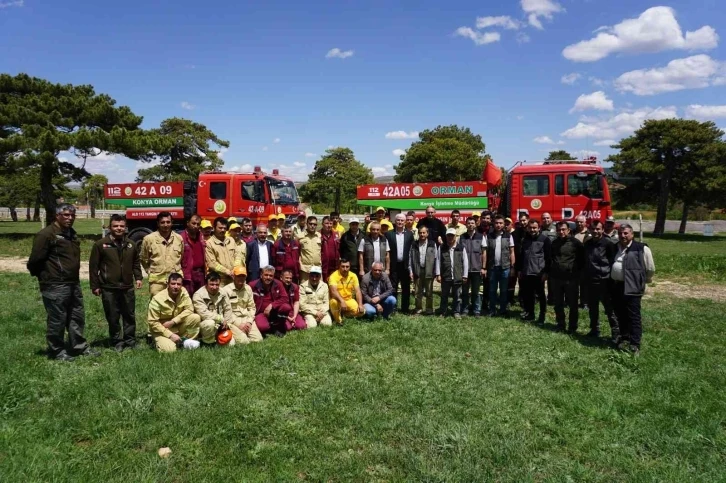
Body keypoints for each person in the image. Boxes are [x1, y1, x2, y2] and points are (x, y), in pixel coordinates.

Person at [28, 203, 98, 361]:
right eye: (66, 215)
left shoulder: (71, 233)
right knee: (57, 319)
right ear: (57, 216)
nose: (70, 218)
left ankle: (78, 346)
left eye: (72, 215)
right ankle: (56, 351)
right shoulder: (46, 234)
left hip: (73, 283)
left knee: (76, 316)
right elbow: (35, 261)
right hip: (54, 284)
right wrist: (45, 277)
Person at [89, 214, 143, 352]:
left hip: (127, 287)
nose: (119, 228)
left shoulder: (131, 244)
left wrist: (138, 277)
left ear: (125, 227)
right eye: (115, 226)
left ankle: (130, 340)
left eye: (121, 226)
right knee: (113, 315)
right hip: (109, 287)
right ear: (110, 227)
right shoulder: (101, 244)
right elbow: (93, 267)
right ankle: (116, 341)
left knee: (129, 314)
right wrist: (95, 286)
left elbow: (136, 262)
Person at [610, 224, 655, 355]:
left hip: (633, 286)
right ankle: (625, 337)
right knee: (620, 313)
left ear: (632, 234)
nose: (622, 236)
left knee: (633, 315)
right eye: (620, 233)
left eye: (625, 233)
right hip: (617, 285)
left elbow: (650, 268)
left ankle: (635, 343)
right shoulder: (615, 247)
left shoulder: (642, 248)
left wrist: (642, 280)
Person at [147, 273, 201, 352]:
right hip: (161, 330)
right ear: (168, 284)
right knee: (170, 350)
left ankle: (185, 342)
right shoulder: (157, 299)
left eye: (178, 284)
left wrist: (173, 321)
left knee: (195, 317)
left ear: (182, 285)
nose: (176, 287)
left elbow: (190, 309)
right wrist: (170, 335)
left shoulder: (183, 292)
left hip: (177, 325)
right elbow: (153, 323)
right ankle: (156, 341)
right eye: (173, 284)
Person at [584, 220, 619, 340]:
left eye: (598, 229)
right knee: (593, 308)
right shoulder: (587, 244)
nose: (595, 231)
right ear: (589, 229)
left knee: (610, 308)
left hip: (604, 281)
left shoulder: (608, 244)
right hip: (591, 280)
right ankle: (594, 330)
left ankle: (615, 333)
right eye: (593, 229)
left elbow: (612, 261)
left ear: (602, 230)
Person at [549, 221, 585, 332]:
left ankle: (572, 327)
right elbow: (551, 258)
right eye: (559, 230)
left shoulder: (576, 243)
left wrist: (577, 274)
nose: (561, 232)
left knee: (573, 304)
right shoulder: (554, 243)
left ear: (568, 230)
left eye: (563, 229)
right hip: (556, 278)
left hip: (571, 279)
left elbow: (582, 260)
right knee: (558, 303)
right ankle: (560, 324)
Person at [140, 211, 184, 296]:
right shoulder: (149, 239)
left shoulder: (179, 239)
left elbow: (181, 256)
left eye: (168, 222)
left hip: (175, 281)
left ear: (172, 223)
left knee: (174, 305)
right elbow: (144, 258)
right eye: (162, 222)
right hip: (157, 281)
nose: (165, 225)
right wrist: (149, 270)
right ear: (158, 223)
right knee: (157, 306)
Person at [517, 219, 551, 324]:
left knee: (541, 295)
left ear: (538, 228)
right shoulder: (524, 240)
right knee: (528, 294)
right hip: (526, 272)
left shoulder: (545, 240)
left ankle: (542, 315)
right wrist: (519, 269)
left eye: (534, 227)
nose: (532, 230)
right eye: (530, 228)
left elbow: (548, 257)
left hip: (539, 273)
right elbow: (521, 256)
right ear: (527, 228)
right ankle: (530, 314)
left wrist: (546, 272)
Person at [483, 215, 515, 317]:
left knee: (504, 290)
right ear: (493, 223)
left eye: (501, 223)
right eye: (497, 223)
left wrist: (512, 266)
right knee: (492, 290)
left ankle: (503, 310)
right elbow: (485, 253)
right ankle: (492, 310)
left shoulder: (509, 236)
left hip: (505, 267)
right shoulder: (489, 236)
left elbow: (512, 252)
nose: (498, 225)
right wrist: (484, 267)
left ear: (504, 224)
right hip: (492, 268)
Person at [222, 266, 264, 344]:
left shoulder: (248, 288)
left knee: (258, 340)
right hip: (233, 320)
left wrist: (249, 322)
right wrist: (238, 324)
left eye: (243, 276)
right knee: (244, 342)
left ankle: (243, 333)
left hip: (246, 318)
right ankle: (238, 335)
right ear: (233, 276)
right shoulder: (226, 290)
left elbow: (252, 307)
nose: (241, 278)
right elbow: (226, 311)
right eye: (238, 276)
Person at [194, 271, 237, 346]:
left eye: (217, 284)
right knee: (210, 323)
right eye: (212, 284)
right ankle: (207, 344)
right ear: (206, 284)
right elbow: (204, 314)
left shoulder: (223, 292)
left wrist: (226, 322)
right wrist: (220, 319)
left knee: (231, 344)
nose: (214, 287)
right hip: (205, 325)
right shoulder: (198, 295)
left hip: (221, 325)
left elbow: (228, 309)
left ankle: (217, 341)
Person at [250, 265, 292, 336]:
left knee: (286, 307)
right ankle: (272, 327)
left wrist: (272, 305)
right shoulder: (253, 285)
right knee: (263, 327)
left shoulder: (278, 284)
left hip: (274, 311)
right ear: (261, 275)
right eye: (266, 275)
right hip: (260, 312)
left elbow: (285, 298)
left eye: (271, 275)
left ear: (273, 276)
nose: (268, 277)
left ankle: (278, 325)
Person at [385, 213, 414, 313]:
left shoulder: (410, 234)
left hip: (405, 265)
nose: (400, 222)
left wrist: (411, 268)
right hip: (393, 265)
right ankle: (393, 308)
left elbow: (411, 251)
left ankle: (405, 309)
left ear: (405, 222)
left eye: (402, 220)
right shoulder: (389, 234)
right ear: (395, 221)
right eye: (398, 220)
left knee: (406, 288)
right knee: (393, 287)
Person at [437, 228, 468, 318]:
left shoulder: (461, 248)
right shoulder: (442, 247)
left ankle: (456, 312)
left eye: (452, 235)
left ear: (455, 236)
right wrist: (438, 274)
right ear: (446, 236)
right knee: (444, 295)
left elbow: (465, 262)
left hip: (457, 276)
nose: (450, 237)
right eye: (448, 235)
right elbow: (438, 261)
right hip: (446, 276)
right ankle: (443, 312)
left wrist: (465, 275)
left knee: (457, 296)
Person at [409, 226, 439, 315]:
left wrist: (437, 272)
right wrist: (411, 271)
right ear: (418, 233)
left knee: (429, 292)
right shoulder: (414, 244)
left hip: (429, 271)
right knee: (418, 292)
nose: (422, 234)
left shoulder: (432, 244)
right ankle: (418, 308)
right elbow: (410, 258)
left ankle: (429, 309)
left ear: (427, 233)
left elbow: (436, 259)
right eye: (420, 233)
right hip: (417, 271)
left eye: (424, 233)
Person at [458, 216, 485, 316]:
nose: (470, 225)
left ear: (475, 224)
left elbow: (484, 253)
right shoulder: (461, 237)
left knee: (476, 291)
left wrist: (483, 267)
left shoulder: (481, 236)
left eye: (472, 223)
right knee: (464, 291)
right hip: (465, 270)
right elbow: (459, 253)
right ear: (466, 224)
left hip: (476, 269)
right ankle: (465, 309)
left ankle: (476, 310)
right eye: (469, 223)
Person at [206, 217, 243, 287]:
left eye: (224, 228)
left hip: (233, 277)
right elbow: (212, 263)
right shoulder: (209, 243)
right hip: (219, 281)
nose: (222, 230)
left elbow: (238, 255)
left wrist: (235, 268)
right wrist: (226, 271)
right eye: (220, 228)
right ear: (214, 228)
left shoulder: (231, 240)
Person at [328, 258, 365, 324]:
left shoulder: (353, 276)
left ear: (350, 267)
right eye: (343, 266)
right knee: (334, 302)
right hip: (337, 300)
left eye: (347, 267)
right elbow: (333, 292)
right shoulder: (333, 276)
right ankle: (338, 321)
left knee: (362, 312)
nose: (345, 269)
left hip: (348, 300)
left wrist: (360, 304)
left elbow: (358, 291)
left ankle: (343, 314)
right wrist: (342, 301)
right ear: (339, 266)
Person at [180, 214, 206, 296]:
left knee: (200, 298)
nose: (196, 226)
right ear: (187, 223)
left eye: (198, 224)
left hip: (201, 274)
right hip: (188, 275)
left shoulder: (201, 237)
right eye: (193, 223)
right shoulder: (181, 238)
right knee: (188, 298)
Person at [573, 215, 592, 309]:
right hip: (574, 262)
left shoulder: (590, 233)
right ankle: (573, 301)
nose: (579, 224)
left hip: (586, 262)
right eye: (577, 222)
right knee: (574, 284)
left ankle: (584, 303)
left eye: (581, 222)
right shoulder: (572, 233)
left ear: (585, 222)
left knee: (585, 284)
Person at [299, 216, 322, 283]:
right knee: (304, 290)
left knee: (318, 290)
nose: (312, 226)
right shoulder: (300, 236)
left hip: (317, 268)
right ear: (306, 224)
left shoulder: (319, 236)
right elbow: (297, 253)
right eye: (310, 224)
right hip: (305, 269)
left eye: (315, 224)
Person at [320, 216, 340, 283]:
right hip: (323, 266)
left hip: (334, 266)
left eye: (330, 223)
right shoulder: (318, 235)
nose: (329, 225)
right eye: (327, 223)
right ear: (322, 224)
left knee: (333, 283)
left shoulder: (336, 234)